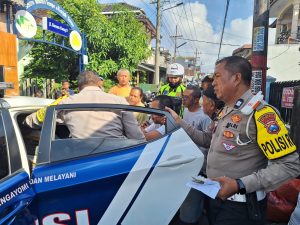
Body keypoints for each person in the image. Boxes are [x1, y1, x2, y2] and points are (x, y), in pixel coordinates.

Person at [204, 56, 300, 225]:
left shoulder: (262, 114)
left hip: (241, 209)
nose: (212, 82)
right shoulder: (226, 110)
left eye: (217, 76)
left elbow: (290, 166)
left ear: (236, 78)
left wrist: (240, 184)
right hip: (215, 199)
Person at [167, 85, 223, 225]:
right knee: (195, 201)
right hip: (187, 164)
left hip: (200, 169)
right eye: (182, 96)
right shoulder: (184, 111)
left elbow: (205, 141)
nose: (183, 99)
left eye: (186, 97)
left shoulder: (206, 118)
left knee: (193, 206)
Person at [57, 70, 145, 140]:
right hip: (116, 155)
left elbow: (51, 123)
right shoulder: (120, 101)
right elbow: (136, 136)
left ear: (78, 88)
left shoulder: (66, 103)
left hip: (81, 157)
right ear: (99, 84)